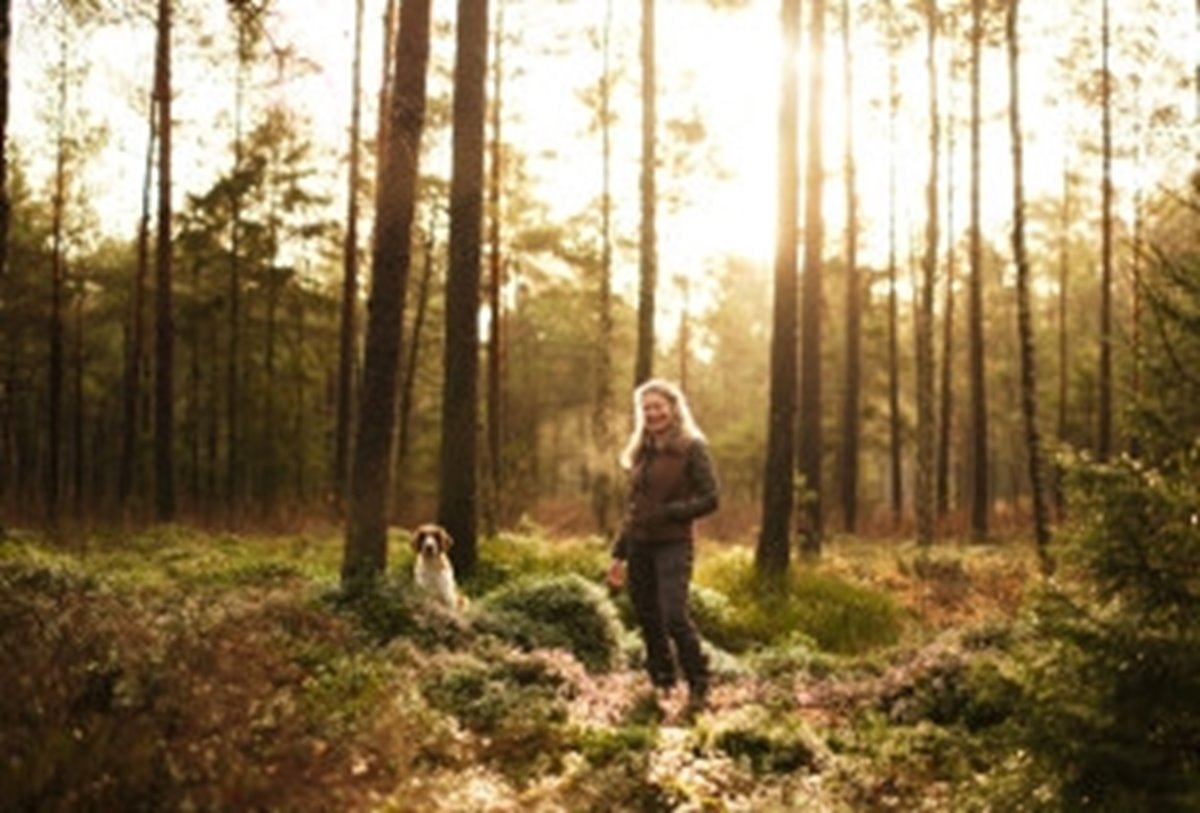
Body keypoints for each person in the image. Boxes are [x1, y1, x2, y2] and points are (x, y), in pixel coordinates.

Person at [606, 378, 719, 716]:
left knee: (673, 615)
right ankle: (662, 681)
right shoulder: (642, 450)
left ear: (673, 408)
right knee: (647, 616)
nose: (653, 413)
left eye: (658, 406)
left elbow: (711, 498)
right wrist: (618, 554)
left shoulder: (692, 446)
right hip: (639, 544)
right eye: (646, 408)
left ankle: (699, 681)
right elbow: (633, 508)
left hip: (673, 543)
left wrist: (672, 512)